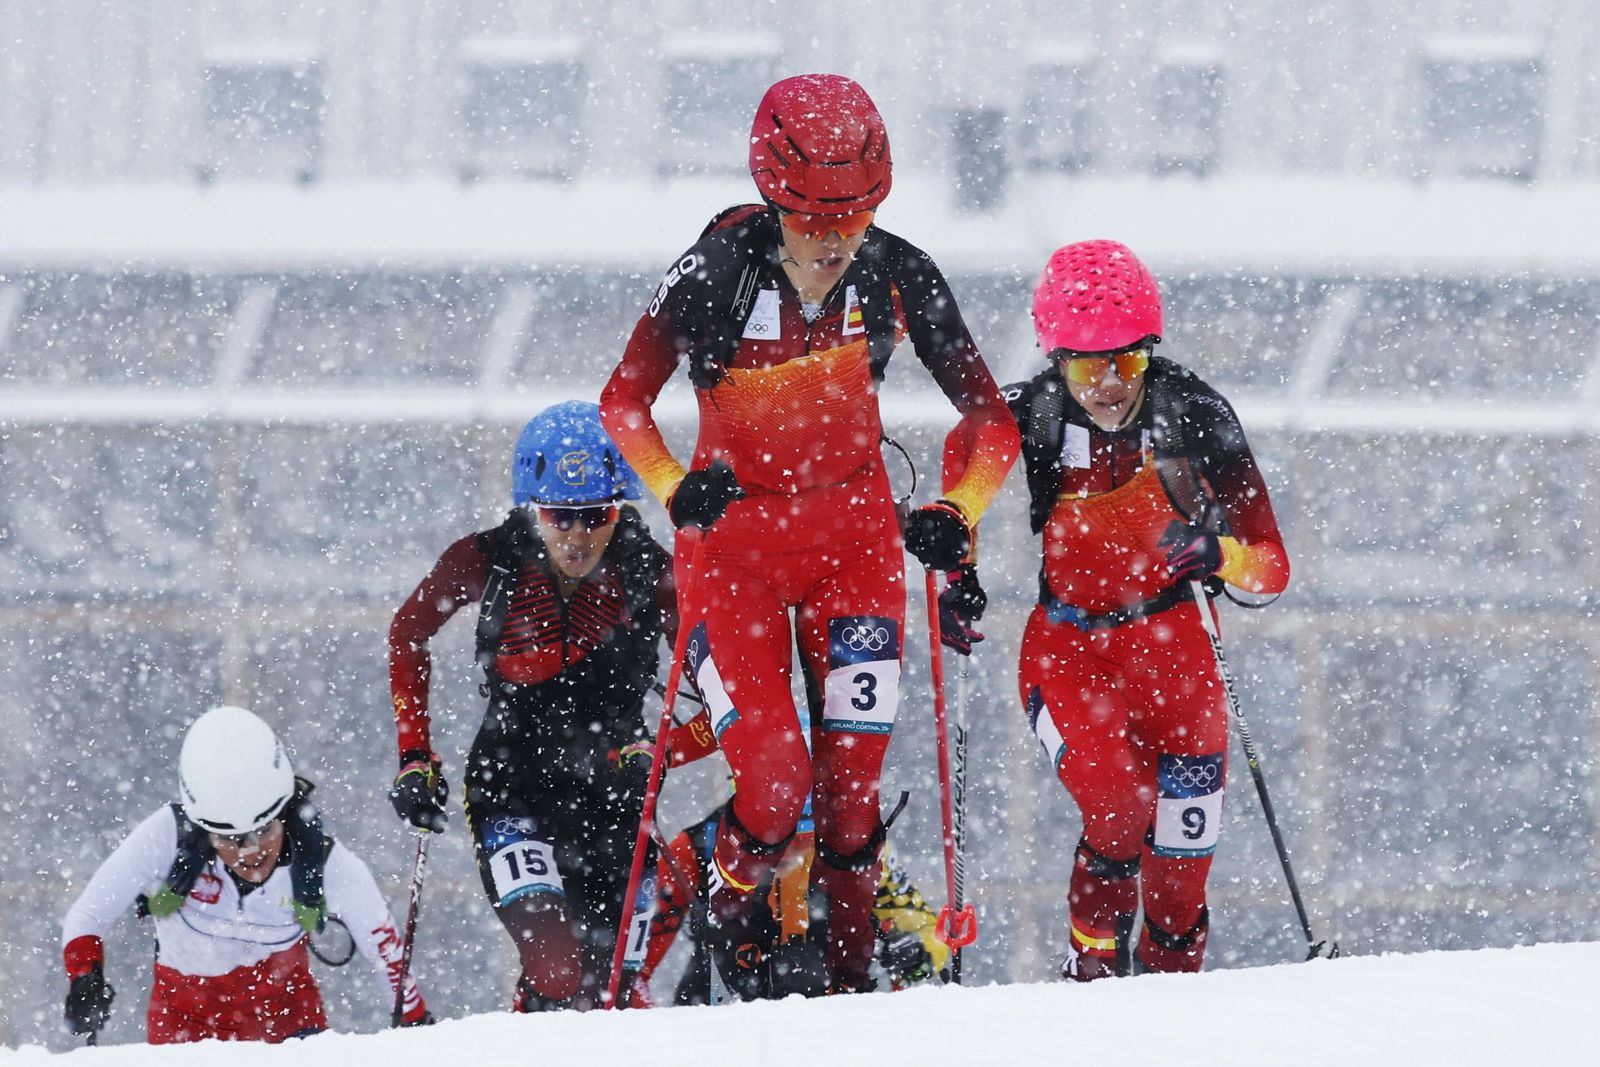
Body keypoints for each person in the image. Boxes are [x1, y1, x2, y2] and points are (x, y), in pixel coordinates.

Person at [600, 72, 1020, 997]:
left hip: (856, 550)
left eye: (855, 217)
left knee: (849, 789)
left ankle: (848, 987)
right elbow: (622, 401)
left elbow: (993, 423)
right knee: (777, 777)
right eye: (807, 218)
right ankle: (728, 920)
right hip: (735, 556)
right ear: (769, 198)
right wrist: (675, 487)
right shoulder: (715, 273)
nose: (832, 240)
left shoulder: (899, 271)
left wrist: (960, 511)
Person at [996, 239, 1290, 981]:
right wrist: (950, 550)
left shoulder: (1194, 412)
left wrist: (1219, 554)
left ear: (1149, 352)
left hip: (1179, 663)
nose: (1106, 387)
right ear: (1055, 357)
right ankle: (1088, 975)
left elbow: (1273, 564)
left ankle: (1169, 1017)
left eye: (1125, 364)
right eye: (1086, 365)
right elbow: (960, 478)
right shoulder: (1031, 414)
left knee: (1178, 892)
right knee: (1121, 808)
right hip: (1069, 653)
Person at [387, 401, 673, 1011]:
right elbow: (407, 633)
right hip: (510, 784)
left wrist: (670, 747)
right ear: (530, 508)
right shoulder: (486, 559)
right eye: (559, 515)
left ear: (619, 507)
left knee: (613, 985)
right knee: (557, 967)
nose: (576, 536)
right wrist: (415, 755)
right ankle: (532, 1022)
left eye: (595, 514)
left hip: (612, 789)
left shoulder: (649, 569)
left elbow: (715, 661)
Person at [60, 705, 429, 1045]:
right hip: (183, 1033)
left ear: (284, 811)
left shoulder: (327, 863)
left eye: (264, 830)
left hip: (289, 1033)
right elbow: (87, 916)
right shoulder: (166, 838)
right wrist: (84, 978)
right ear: (202, 826)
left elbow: (391, 961)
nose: (250, 852)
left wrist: (415, 1022)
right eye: (230, 838)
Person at [638, 799, 949, 1006]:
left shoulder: (859, 851)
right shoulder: (695, 847)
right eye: (775, 836)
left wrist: (916, 955)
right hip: (719, 1021)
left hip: (835, 1023)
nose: (788, 853)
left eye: (803, 837)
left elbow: (928, 931)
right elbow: (635, 967)